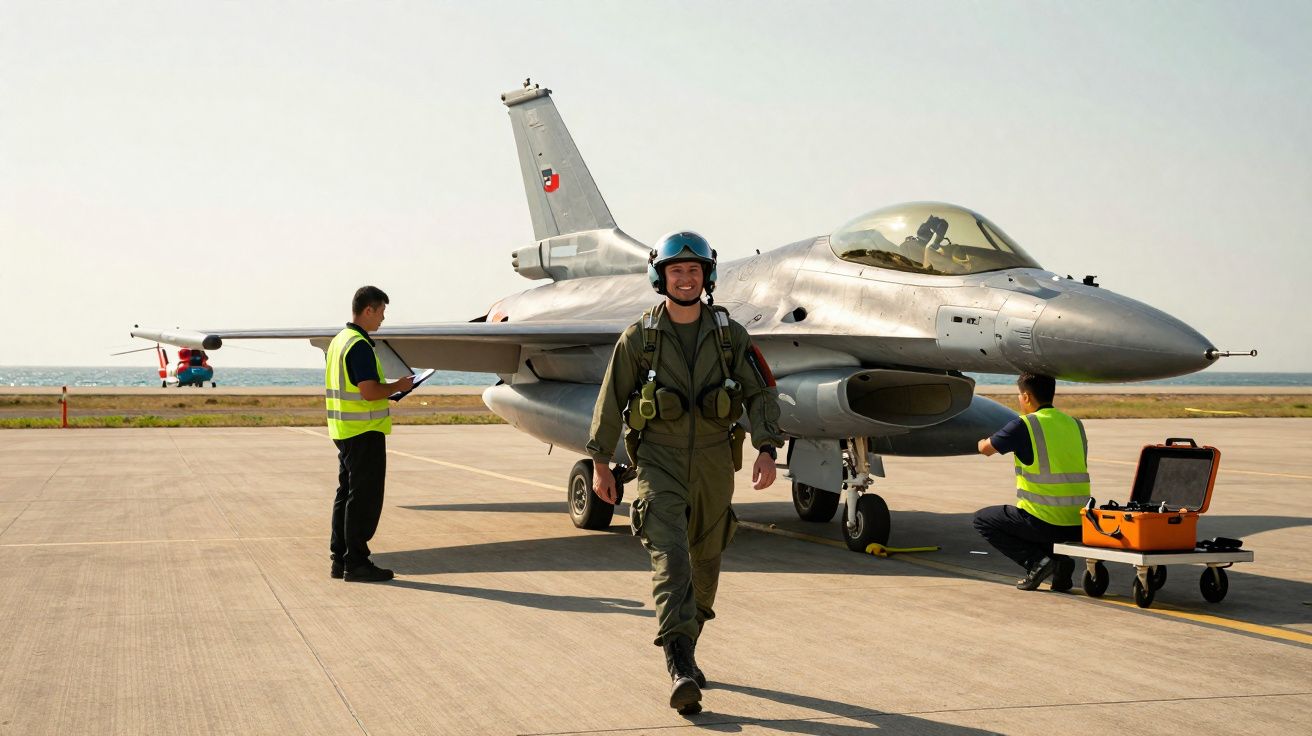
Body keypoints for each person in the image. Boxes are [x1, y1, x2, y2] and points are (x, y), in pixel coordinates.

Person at [586, 231, 784, 715]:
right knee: (671, 556)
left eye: (694, 270)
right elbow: (611, 398)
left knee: (708, 560)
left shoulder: (729, 334)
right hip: (659, 460)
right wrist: (598, 462)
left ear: (707, 276)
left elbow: (761, 391)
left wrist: (765, 447)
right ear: (662, 277)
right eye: (677, 270)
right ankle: (677, 663)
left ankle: (689, 644)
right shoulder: (641, 337)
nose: (686, 278)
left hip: (717, 460)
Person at [325, 286, 413, 583]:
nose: (382, 320)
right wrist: (397, 387)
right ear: (368, 310)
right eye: (381, 313)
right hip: (364, 430)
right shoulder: (359, 345)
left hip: (344, 429)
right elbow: (369, 390)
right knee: (364, 499)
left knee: (346, 495)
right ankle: (357, 563)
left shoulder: (340, 341)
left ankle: (340, 559)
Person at [973, 373, 1090, 592]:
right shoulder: (1075, 424)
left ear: (1026, 396)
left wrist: (980, 439)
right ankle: (1060, 563)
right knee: (1036, 522)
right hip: (1078, 523)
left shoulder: (1025, 425)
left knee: (983, 520)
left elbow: (986, 449)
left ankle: (1037, 562)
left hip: (1044, 522)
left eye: (1019, 395)